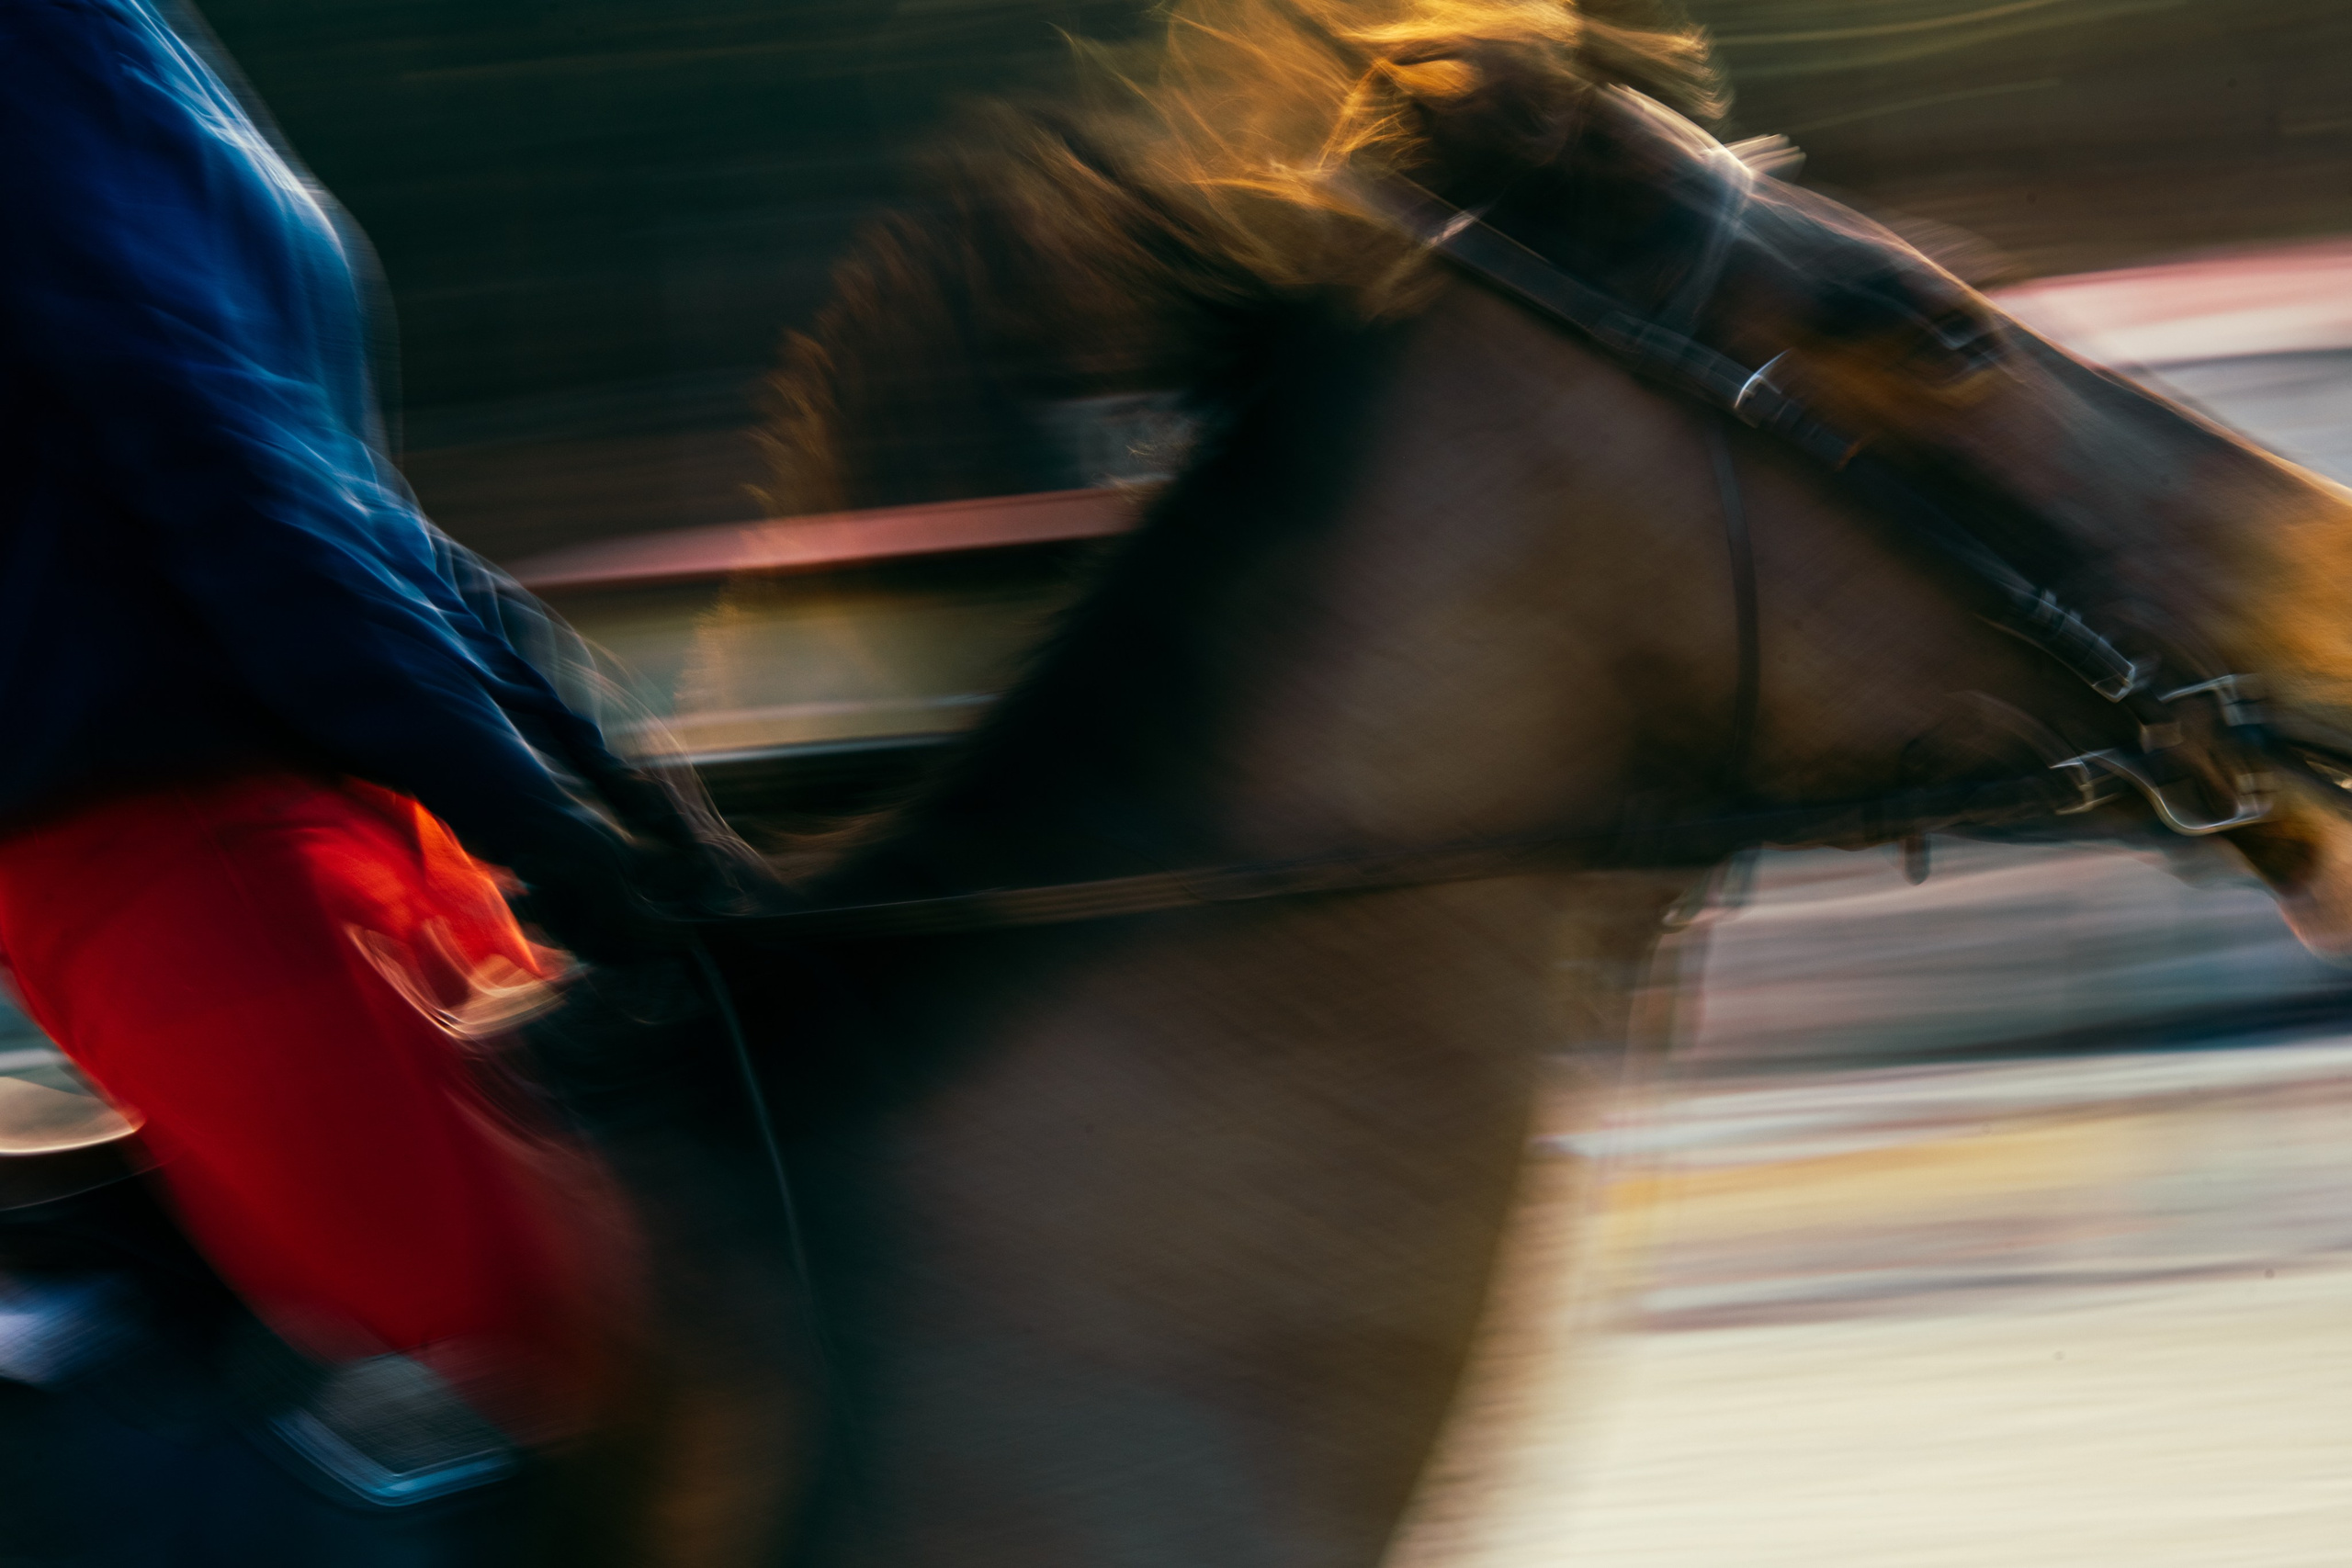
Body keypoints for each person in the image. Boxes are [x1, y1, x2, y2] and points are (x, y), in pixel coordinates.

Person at [0, 0, 714, 1516]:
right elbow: (216, 468)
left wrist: (615, 779)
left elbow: (336, 484)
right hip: (173, 851)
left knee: (717, 1306)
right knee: (599, 1383)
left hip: (356, 814)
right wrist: (537, 799)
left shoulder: (115, 33)